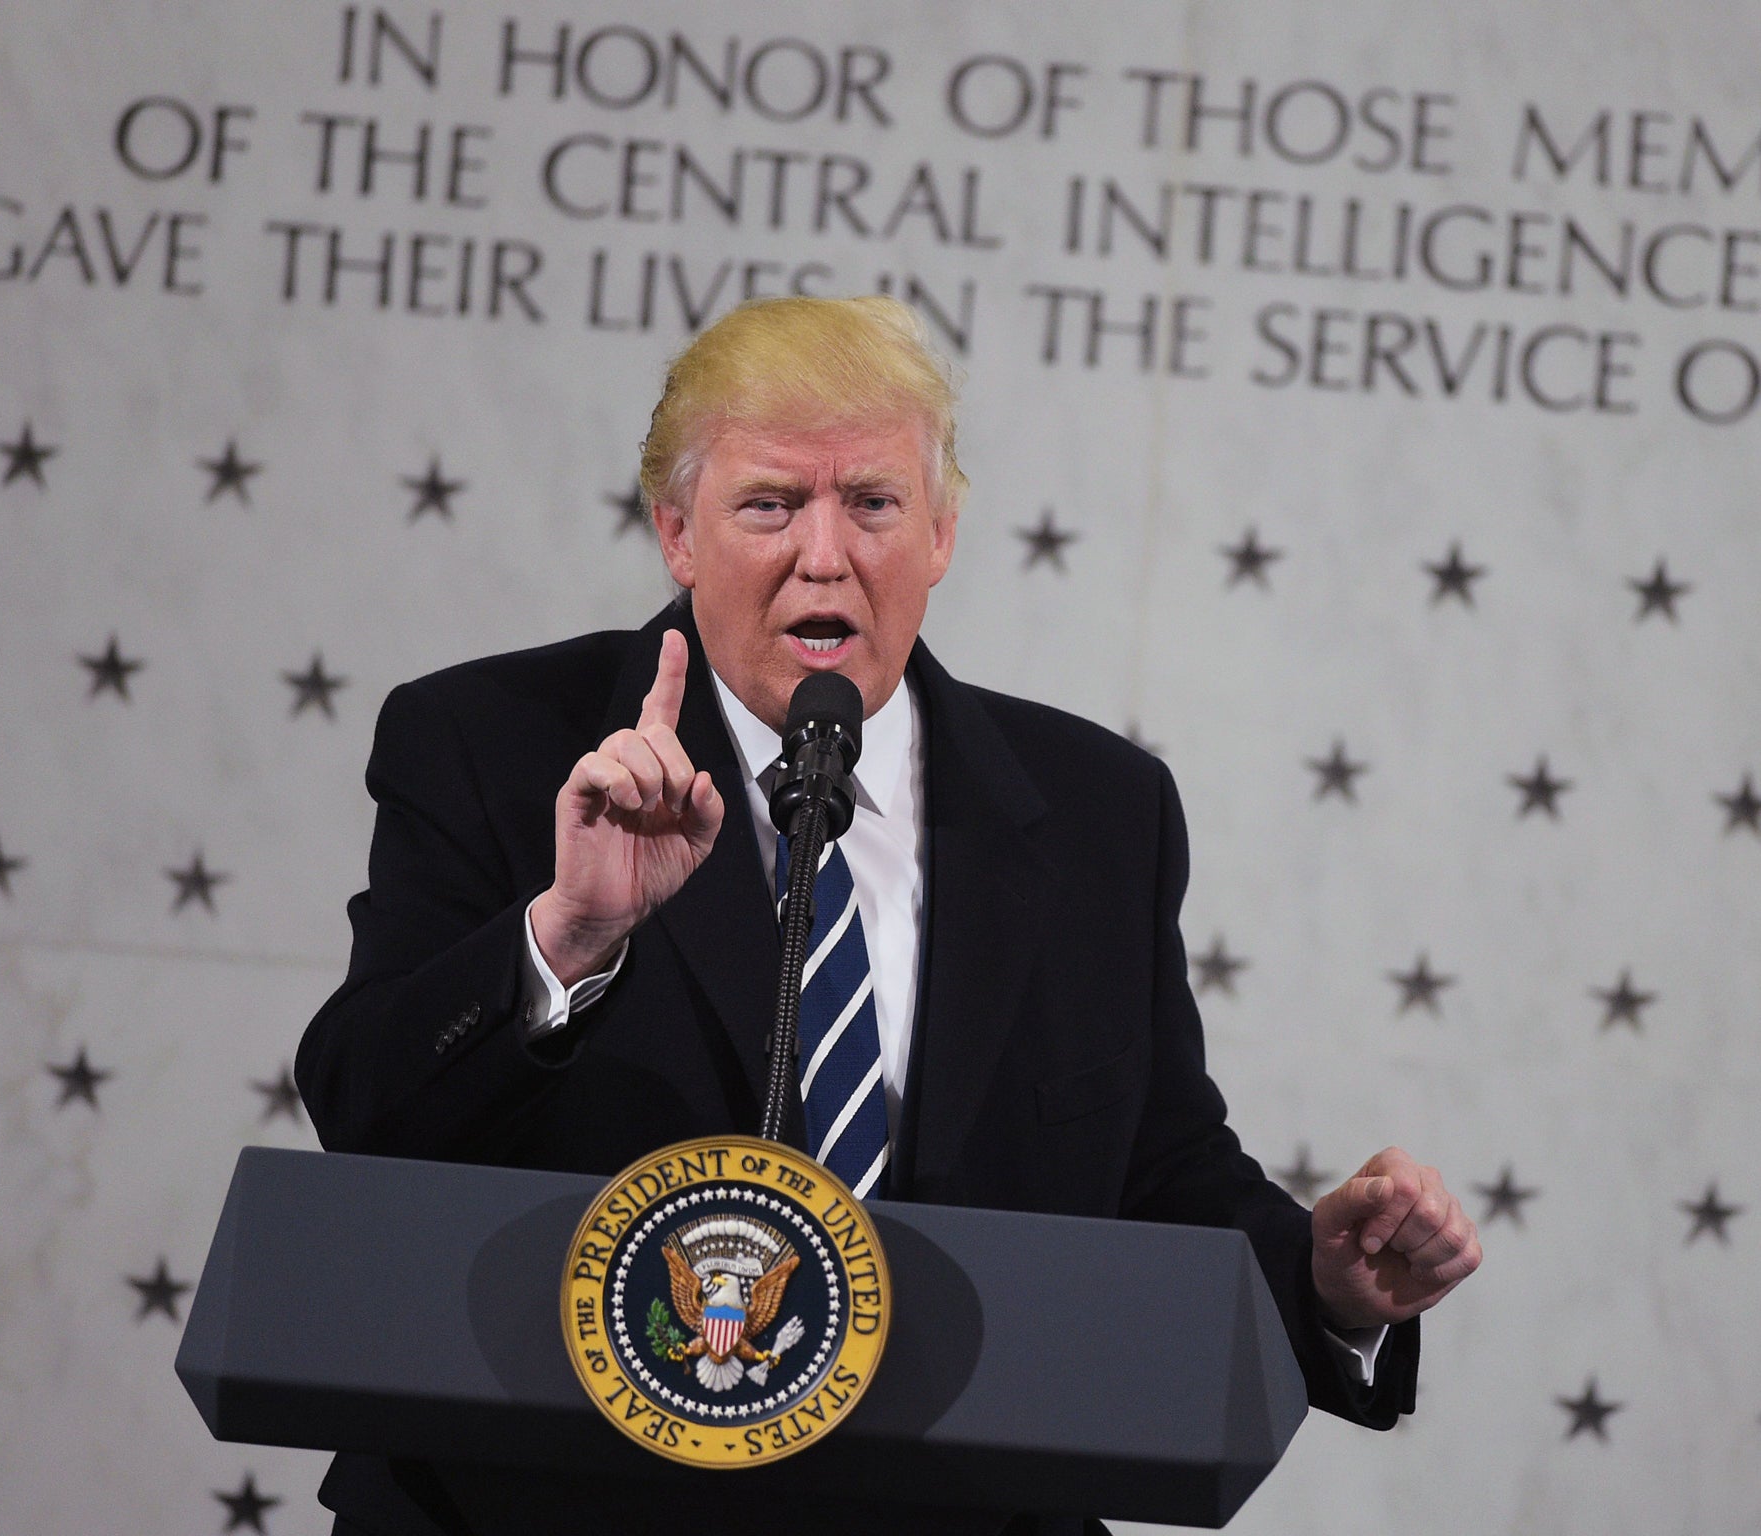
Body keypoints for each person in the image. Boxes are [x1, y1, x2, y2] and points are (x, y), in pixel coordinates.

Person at [296, 295, 1480, 1536]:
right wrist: (567, 939)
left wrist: (1324, 1278)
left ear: (941, 534)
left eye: (870, 502)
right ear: (675, 533)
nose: (825, 555)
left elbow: (1156, 1168)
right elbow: (367, 1108)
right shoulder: (493, 743)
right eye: (767, 505)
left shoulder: (1094, 814)